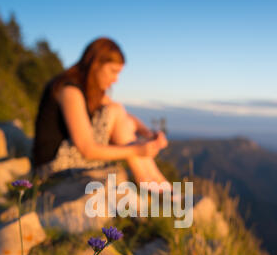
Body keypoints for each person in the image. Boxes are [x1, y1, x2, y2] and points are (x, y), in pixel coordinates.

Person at [32, 37, 173, 195]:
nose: (115, 79)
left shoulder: (89, 90)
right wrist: (137, 150)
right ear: (95, 64)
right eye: (113, 71)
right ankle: (152, 183)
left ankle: (155, 181)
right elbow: (87, 149)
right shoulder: (69, 90)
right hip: (54, 167)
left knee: (117, 111)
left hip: (68, 158)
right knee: (115, 110)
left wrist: (148, 134)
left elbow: (126, 118)